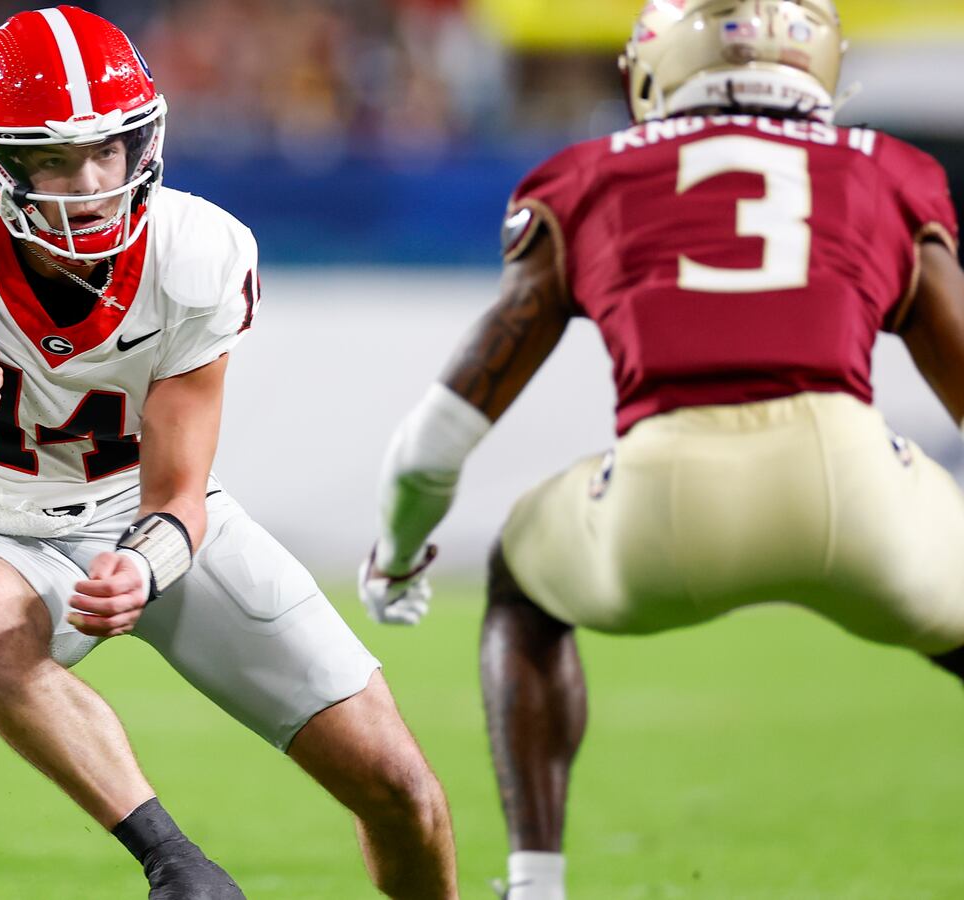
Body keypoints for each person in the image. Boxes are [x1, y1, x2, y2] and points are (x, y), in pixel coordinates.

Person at [0, 6, 457, 898]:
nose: (92, 180)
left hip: (151, 521)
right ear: (0, 160)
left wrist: (145, 565)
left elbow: (181, 494)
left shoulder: (196, 252)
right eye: (56, 158)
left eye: (109, 148)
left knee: (402, 792)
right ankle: (174, 862)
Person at [359, 1, 963, 897]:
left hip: (664, 498)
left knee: (523, 581)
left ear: (655, 70)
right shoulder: (890, 170)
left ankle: (535, 883)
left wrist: (398, 555)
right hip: (854, 486)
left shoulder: (589, 174)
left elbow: (436, 439)